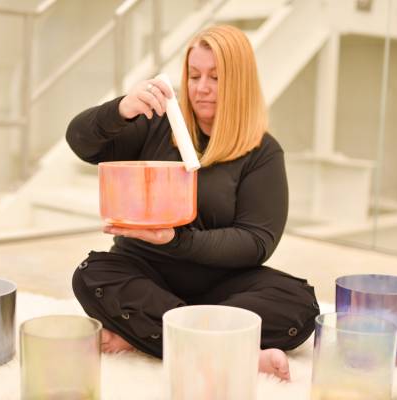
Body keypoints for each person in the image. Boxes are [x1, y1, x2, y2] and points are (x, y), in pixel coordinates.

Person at [68, 25, 320, 381]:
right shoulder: (155, 124)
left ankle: (147, 333)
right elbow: (82, 143)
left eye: (216, 77)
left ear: (240, 83)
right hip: (145, 270)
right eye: (194, 75)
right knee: (90, 274)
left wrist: (177, 240)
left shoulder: (262, 151)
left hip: (224, 284)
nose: (201, 88)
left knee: (298, 303)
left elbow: (257, 241)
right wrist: (120, 109)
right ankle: (228, 347)